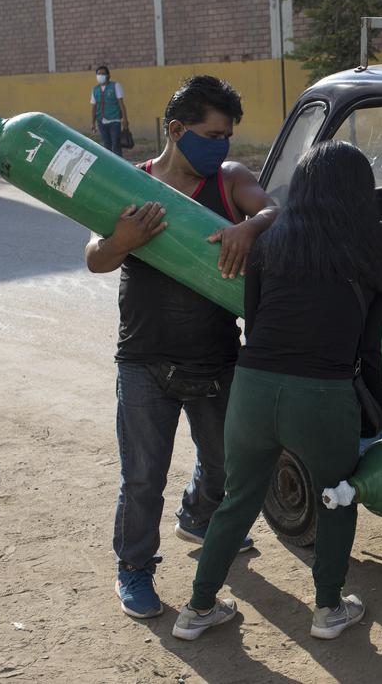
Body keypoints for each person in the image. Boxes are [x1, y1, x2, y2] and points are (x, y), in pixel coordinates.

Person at [171, 140, 382, 642]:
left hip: (253, 387)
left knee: (237, 499)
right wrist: (381, 402)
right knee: (335, 499)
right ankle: (327, 611)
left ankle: (195, 609)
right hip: (321, 394)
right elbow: (370, 349)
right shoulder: (373, 252)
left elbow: (254, 319)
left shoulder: (270, 242)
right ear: (360, 193)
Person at [85, 75, 281, 619]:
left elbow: (275, 210)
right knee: (143, 476)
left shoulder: (230, 180)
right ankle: (134, 568)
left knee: (225, 464)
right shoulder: (131, 181)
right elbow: (95, 257)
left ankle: (197, 514)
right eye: (213, 134)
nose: (222, 146)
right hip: (144, 357)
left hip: (217, 355)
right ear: (176, 130)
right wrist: (121, 242)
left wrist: (250, 229)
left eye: (228, 136)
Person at [91, 65, 130, 156]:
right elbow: (94, 107)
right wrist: (93, 122)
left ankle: (119, 165)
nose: (100, 76)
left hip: (114, 120)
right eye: (98, 74)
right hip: (101, 121)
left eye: (103, 73)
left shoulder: (115, 86)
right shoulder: (95, 89)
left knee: (116, 144)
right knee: (106, 146)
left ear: (108, 75)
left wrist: (125, 119)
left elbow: (121, 104)